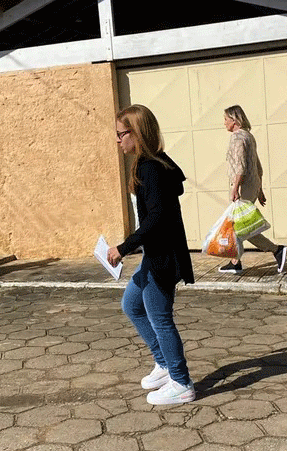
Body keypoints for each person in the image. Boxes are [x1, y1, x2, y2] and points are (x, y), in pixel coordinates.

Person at [106, 104, 196, 406]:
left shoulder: (151, 168)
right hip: (155, 254)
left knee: (160, 318)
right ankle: (163, 364)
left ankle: (181, 382)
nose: (118, 141)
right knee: (132, 303)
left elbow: (156, 220)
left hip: (163, 256)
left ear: (137, 133)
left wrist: (123, 247)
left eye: (121, 134)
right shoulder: (149, 163)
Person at [219, 105, 287, 275]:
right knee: (241, 225)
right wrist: (259, 189)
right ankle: (236, 261)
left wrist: (235, 188)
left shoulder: (237, 138)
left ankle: (276, 250)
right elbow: (257, 165)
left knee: (242, 226)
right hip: (252, 185)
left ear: (234, 121)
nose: (224, 123)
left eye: (226, 119)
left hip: (242, 186)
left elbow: (240, 167)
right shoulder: (249, 136)